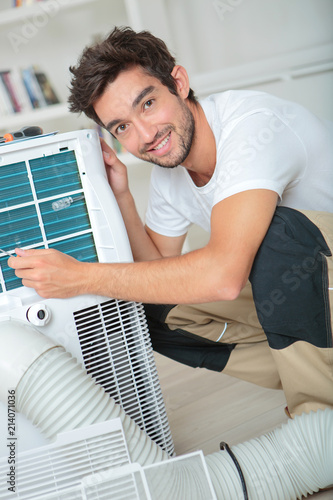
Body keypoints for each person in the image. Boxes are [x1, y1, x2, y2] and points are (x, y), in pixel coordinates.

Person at [8, 27, 333, 418]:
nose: (146, 136)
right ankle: (308, 374)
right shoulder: (170, 171)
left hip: (318, 270)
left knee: (275, 234)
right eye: (122, 127)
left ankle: (318, 418)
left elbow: (224, 276)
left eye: (147, 104)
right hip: (312, 294)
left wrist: (80, 277)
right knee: (146, 305)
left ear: (178, 83)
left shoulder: (252, 128)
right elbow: (155, 274)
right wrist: (121, 196)